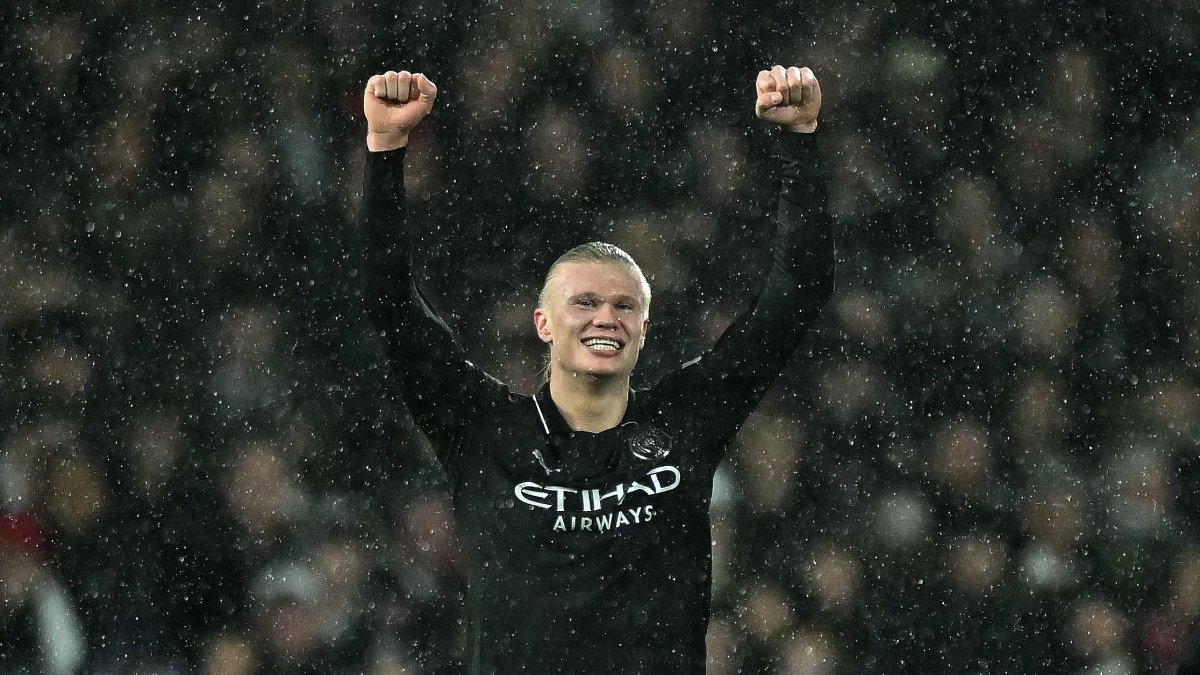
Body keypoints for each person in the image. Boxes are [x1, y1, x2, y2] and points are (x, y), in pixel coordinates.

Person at [361, 64, 833, 674]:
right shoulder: (483, 431)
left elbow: (797, 297)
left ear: (643, 328)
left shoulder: (686, 422)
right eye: (584, 303)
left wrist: (801, 139)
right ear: (544, 324)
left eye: (624, 306)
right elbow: (391, 305)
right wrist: (385, 149)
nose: (605, 317)